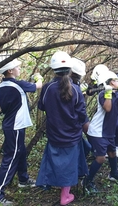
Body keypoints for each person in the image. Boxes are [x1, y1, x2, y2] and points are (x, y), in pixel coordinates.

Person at [0, 55, 43, 206]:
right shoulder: (19, 85)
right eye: (17, 67)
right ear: (10, 70)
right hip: (16, 127)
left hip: (10, 126)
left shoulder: (0, 87)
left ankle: (23, 179)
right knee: (10, 157)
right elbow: (38, 86)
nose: (19, 68)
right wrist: (38, 77)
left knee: (21, 150)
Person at [35, 51, 89, 206]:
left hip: (54, 133)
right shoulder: (76, 90)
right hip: (72, 135)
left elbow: (42, 107)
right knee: (69, 165)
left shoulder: (47, 88)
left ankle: (49, 183)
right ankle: (65, 195)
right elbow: (81, 114)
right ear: (70, 69)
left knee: (53, 160)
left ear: (53, 69)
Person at [83, 71, 118, 194]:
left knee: (113, 153)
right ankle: (87, 181)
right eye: (116, 80)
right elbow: (107, 108)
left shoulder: (116, 94)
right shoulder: (103, 94)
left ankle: (114, 174)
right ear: (110, 82)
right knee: (101, 158)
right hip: (98, 132)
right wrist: (108, 92)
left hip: (109, 131)